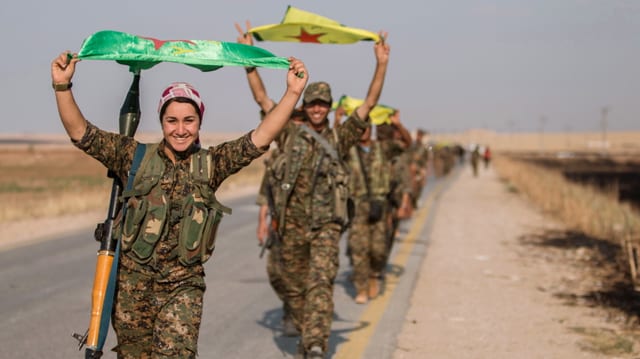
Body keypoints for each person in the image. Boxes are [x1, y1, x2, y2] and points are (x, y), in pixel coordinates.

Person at [51, 50, 307, 358]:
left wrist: (293, 93)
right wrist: (62, 87)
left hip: (182, 288)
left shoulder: (211, 164)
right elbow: (82, 133)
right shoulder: (135, 158)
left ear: (199, 122)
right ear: (161, 121)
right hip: (132, 290)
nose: (181, 129)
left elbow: (259, 138)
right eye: (172, 120)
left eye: (189, 120)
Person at [237, 23, 390, 359]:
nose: (319, 108)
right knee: (293, 284)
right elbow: (263, 98)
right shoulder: (288, 133)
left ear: (330, 106)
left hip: (326, 227)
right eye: (313, 103)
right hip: (291, 226)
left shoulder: (340, 138)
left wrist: (380, 64)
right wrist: (249, 60)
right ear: (305, 105)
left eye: (323, 103)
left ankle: (317, 344)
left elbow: (370, 103)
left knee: (321, 282)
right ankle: (306, 329)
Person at [343, 109, 411, 304]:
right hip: (356, 206)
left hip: (379, 205)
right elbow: (331, 144)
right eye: (360, 127)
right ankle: (362, 287)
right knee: (358, 248)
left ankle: (374, 274)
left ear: (371, 129)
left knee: (379, 248)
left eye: (367, 127)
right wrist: (339, 120)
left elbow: (407, 144)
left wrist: (398, 125)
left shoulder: (383, 148)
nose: (363, 130)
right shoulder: (348, 150)